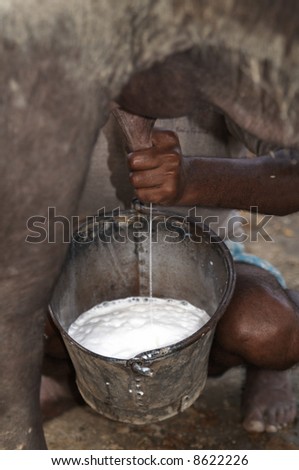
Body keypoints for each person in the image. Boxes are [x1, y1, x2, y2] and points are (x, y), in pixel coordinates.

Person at [42, 105, 299, 434]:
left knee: (268, 326)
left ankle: (264, 366)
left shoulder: (217, 70)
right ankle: (63, 375)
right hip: (77, 267)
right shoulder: (43, 72)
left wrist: (194, 179)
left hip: (212, 265)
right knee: (20, 315)